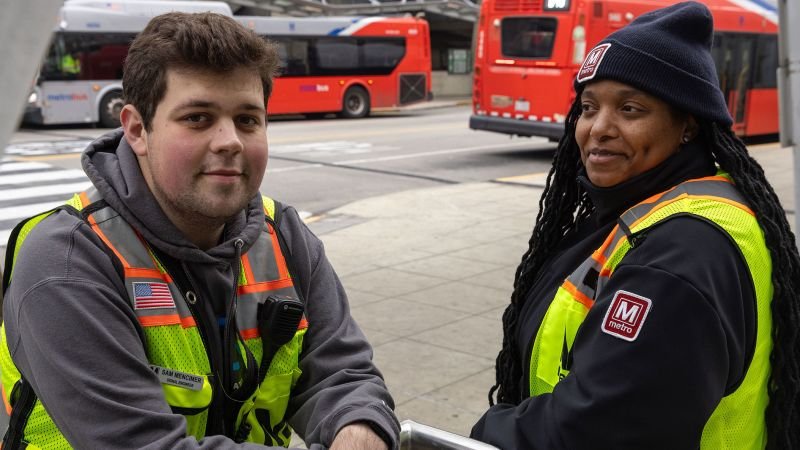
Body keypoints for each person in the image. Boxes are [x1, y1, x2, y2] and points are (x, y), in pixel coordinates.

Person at [0, 12, 398, 450]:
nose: (230, 140)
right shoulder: (67, 262)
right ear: (136, 129)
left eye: (248, 119)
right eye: (197, 118)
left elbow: (343, 373)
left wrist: (360, 426)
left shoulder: (283, 234)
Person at [470, 2, 800, 449]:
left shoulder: (680, 256)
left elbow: (602, 429)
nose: (598, 128)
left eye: (630, 109)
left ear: (686, 126)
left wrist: (486, 432)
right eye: (588, 107)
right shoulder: (643, 208)